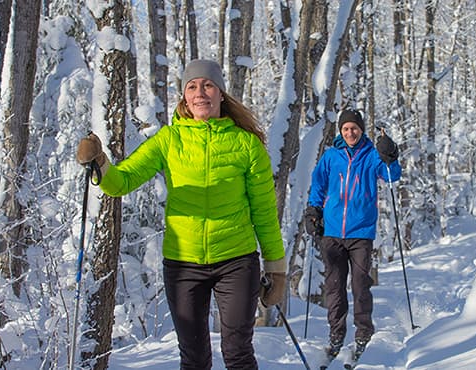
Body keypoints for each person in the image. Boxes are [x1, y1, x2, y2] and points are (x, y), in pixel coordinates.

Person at [76, 59, 286, 370]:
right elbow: (123, 182)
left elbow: (264, 211)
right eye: (192, 86)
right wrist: (100, 164)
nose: (200, 92)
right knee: (194, 357)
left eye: (208, 85)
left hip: (236, 260)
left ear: (221, 94)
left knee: (238, 351)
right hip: (183, 263)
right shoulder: (168, 140)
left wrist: (276, 268)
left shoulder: (246, 145)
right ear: (184, 97)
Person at [305, 109, 401, 363]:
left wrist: (389, 154)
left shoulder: (371, 155)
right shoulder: (330, 157)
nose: (350, 132)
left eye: (354, 128)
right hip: (332, 233)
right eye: (346, 129)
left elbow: (392, 176)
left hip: (361, 233)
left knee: (360, 285)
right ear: (341, 131)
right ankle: (336, 337)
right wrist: (313, 210)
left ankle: (363, 335)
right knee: (334, 288)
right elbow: (318, 185)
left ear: (361, 129)